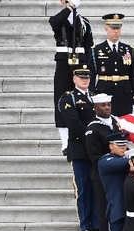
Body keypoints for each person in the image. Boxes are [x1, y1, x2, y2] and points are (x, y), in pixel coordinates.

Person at [58, 65, 98, 231]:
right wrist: (91, 136)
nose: (85, 80)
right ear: (74, 79)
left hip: (95, 152)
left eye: (87, 77)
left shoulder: (96, 98)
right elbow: (73, 122)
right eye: (81, 77)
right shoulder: (69, 98)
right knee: (83, 189)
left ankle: (96, 225)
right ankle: (86, 226)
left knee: (96, 188)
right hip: (80, 150)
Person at [49, 0, 93, 156]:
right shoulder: (57, 18)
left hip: (80, 64)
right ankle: (65, 141)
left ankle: (83, 134)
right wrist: (69, 8)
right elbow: (56, 23)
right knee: (61, 99)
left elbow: (89, 46)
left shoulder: (84, 22)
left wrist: (89, 68)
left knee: (81, 99)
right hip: (63, 64)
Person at [85, 93, 122, 231]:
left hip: (120, 177)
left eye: (109, 104)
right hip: (103, 179)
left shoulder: (116, 123)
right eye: (103, 105)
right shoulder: (93, 130)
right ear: (95, 108)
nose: (107, 108)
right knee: (107, 218)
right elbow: (96, 158)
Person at [90, 13, 134, 117]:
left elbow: (133, 77)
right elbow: (92, 75)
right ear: (106, 29)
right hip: (105, 92)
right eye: (113, 28)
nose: (116, 31)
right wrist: (92, 98)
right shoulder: (97, 50)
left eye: (118, 28)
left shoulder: (129, 50)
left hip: (124, 93)